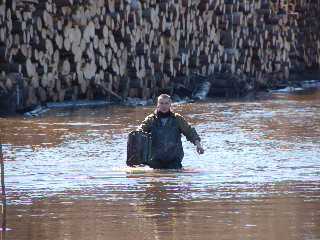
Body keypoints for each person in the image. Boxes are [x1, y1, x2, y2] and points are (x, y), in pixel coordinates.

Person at [138, 94, 204, 169]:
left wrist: (198, 145)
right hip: (155, 160)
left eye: (166, 103)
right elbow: (139, 133)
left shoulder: (177, 119)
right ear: (157, 105)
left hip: (174, 160)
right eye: (161, 103)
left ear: (170, 105)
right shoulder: (150, 119)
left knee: (173, 177)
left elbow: (190, 132)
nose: (164, 106)